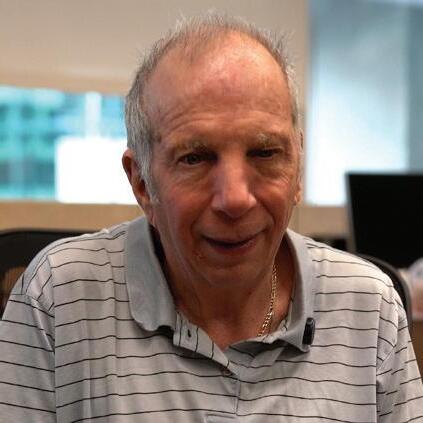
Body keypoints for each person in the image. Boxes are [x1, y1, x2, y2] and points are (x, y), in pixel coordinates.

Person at [0, 14, 422, 423]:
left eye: (265, 152)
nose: (235, 199)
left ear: (297, 169)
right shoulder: (58, 298)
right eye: (195, 157)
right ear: (142, 183)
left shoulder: (370, 307)